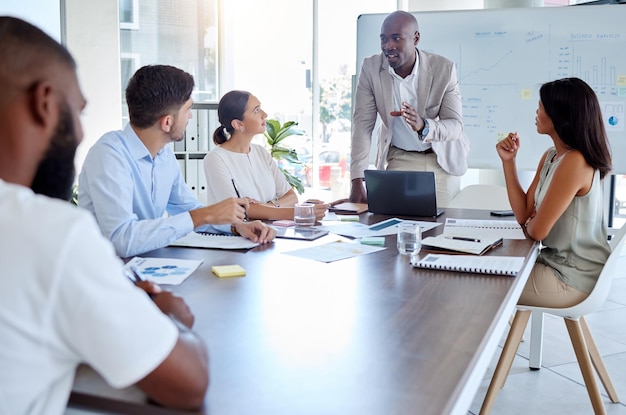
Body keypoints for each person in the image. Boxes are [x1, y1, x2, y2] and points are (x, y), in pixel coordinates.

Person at [0, 16, 208, 414]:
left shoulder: (165, 158)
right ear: (45, 103)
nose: (79, 131)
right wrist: (166, 316)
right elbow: (190, 383)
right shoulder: (51, 233)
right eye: (77, 111)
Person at [78, 66, 275, 258]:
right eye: (188, 109)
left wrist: (236, 226)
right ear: (167, 122)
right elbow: (122, 239)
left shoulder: (164, 156)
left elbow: (187, 208)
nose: (191, 116)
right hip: (105, 273)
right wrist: (203, 215)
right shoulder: (109, 155)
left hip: (144, 266)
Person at [496, 77, 612, 308]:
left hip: (571, 279)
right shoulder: (552, 156)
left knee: (476, 283)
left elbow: (537, 231)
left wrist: (533, 223)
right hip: (552, 264)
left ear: (559, 116)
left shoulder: (575, 162)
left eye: (541, 107)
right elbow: (523, 215)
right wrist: (509, 162)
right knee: (477, 275)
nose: (536, 113)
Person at [349, 10, 469, 207]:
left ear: (416, 38)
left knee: (442, 231)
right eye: (384, 39)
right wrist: (356, 180)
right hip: (400, 158)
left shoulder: (443, 69)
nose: (388, 46)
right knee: (395, 227)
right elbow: (362, 125)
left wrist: (424, 126)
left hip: (441, 159)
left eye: (396, 38)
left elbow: (455, 126)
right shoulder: (371, 69)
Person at [204, 90, 329, 221]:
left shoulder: (261, 153)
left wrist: (265, 207)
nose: (264, 114)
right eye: (256, 110)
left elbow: (291, 197)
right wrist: (300, 212)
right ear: (238, 124)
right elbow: (236, 209)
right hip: (237, 237)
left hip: (271, 232)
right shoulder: (215, 158)